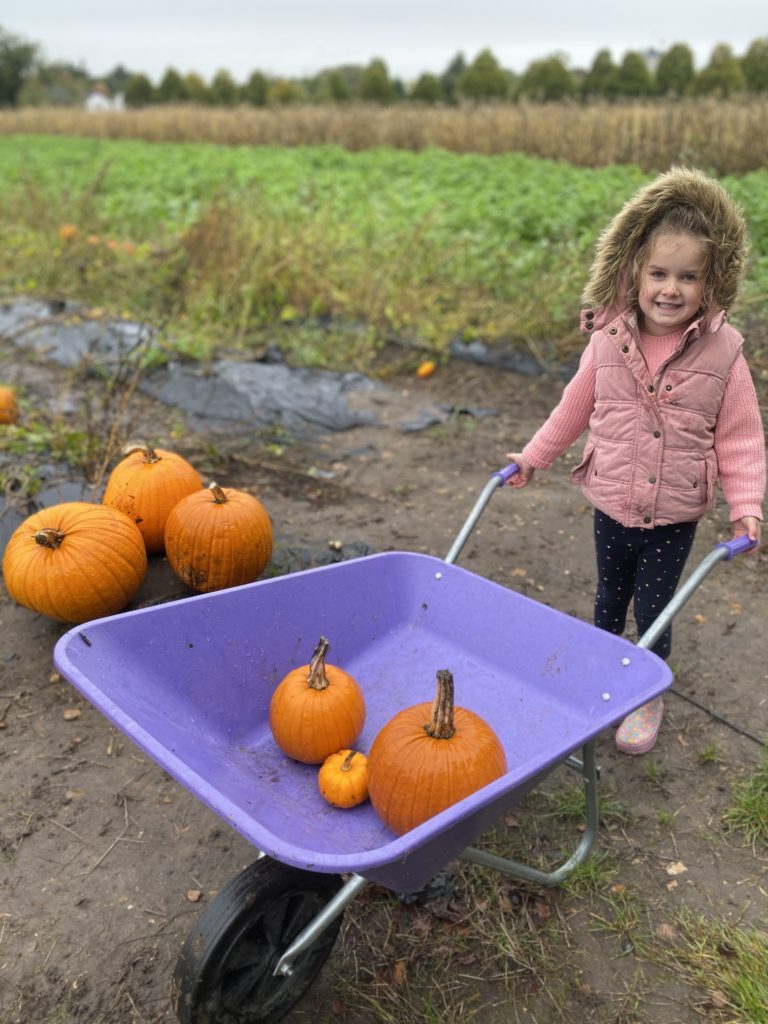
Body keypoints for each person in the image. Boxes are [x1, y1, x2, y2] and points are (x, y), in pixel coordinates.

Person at [506, 166, 765, 756]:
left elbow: (742, 437)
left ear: (712, 280)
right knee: (607, 599)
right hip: (611, 499)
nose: (671, 289)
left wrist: (746, 507)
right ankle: (602, 677)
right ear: (634, 272)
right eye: (659, 273)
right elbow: (574, 406)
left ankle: (645, 691)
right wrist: (533, 458)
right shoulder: (609, 338)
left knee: (653, 609)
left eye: (688, 277)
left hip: (673, 513)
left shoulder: (724, 352)